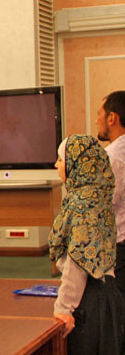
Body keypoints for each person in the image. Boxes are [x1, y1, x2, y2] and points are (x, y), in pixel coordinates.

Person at [49, 134, 124, 354]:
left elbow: (79, 263)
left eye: (61, 160)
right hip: (106, 294)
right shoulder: (98, 197)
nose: (56, 165)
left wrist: (64, 309)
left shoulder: (84, 206)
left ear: (77, 164)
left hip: (89, 303)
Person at [96, 91, 125, 301]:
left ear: (111, 118)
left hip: (119, 246)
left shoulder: (112, 157)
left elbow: (104, 204)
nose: (97, 120)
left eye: (99, 114)